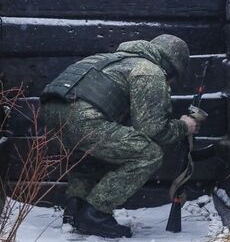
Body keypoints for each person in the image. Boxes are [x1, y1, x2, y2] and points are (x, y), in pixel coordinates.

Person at [41, 34, 199, 238]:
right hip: (83, 118)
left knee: (93, 152)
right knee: (147, 154)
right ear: (170, 65)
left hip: (50, 113)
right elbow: (153, 129)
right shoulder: (148, 70)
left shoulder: (106, 59)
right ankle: (95, 213)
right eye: (172, 76)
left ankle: (74, 208)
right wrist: (184, 126)